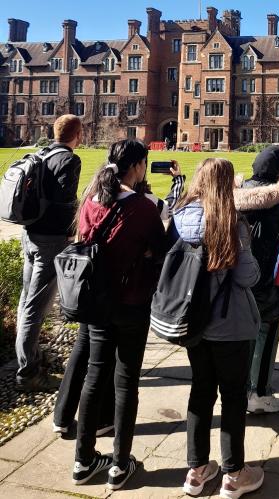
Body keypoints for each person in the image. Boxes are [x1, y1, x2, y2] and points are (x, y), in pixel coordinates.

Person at [52, 162, 185, 435]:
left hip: (88, 289)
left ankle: (63, 416)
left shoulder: (93, 196)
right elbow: (169, 218)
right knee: (111, 365)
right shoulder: (144, 202)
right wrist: (178, 179)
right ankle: (103, 423)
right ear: (137, 168)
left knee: (83, 354)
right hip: (122, 293)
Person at [72, 139, 166, 490]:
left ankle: (83, 461)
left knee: (95, 377)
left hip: (96, 305)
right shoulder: (142, 208)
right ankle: (119, 465)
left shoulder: (91, 200)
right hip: (130, 303)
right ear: (139, 165)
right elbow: (161, 251)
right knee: (125, 381)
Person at [171, 158, 264, 498]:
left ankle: (196, 472)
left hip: (192, 322)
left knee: (200, 391)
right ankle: (234, 474)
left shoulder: (180, 218)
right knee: (234, 396)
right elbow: (248, 277)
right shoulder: (230, 222)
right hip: (229, 323)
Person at [15, 114, 83, 392]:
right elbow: (65, 199)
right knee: (36, 306)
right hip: (50, 241)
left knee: (26, 300)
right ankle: (27, 372)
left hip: (29, 235)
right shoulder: (69, 159)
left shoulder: (42, 154)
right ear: (78, 134)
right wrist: (73, 228)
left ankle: (28, 357)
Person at [234, 146, 279, 414]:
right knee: (267, 331)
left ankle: (241, 390)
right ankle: (260, 392)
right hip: (266, 276)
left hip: (237, 276)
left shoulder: (236, 193)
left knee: (241, 335)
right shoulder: (278, 198)